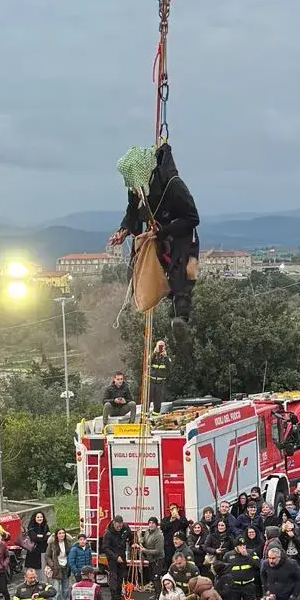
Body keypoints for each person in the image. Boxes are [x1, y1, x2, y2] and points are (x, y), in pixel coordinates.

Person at [110, 141, 202, 341]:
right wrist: (123, 230)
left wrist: (163, 231)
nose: (135, 191)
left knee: (183, 273)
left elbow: (192, 218)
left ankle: (181, 318)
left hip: (180, 234)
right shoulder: (136, 188)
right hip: (156, 234)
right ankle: (141, 298)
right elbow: (132, 212)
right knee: (141, 266)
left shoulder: (174, 185)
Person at [148, 340, 171, 413]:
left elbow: (169, 369)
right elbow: (148, 362)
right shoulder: (152, 356)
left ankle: (155, 415)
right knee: (148, 399)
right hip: (151, 381)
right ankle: (145, 414)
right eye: (159, 346)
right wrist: (154, 353)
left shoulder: (166, 358)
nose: (160, 348)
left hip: (160, 382)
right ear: (156, 346)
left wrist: (165, 357)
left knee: (158, 400)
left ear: (165, 347)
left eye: (162, 346)